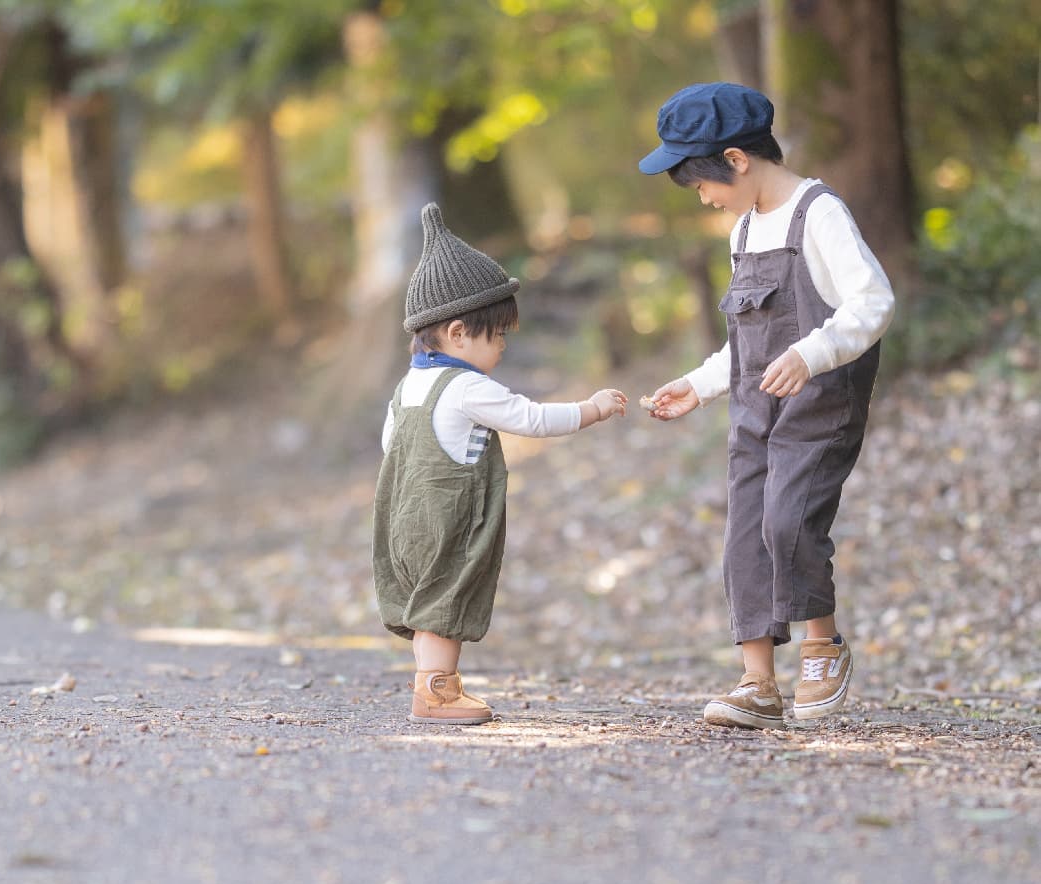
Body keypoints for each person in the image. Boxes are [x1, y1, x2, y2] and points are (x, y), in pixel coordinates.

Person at [639, 82, 895, 730]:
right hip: (755, 411)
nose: (705, 198)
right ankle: (758, 682)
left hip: (818, 407)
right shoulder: (744, 230)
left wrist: (813, 353)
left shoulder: (820, 214)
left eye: (703, 184)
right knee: (745, 536)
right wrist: (697, 386)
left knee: (787, 520)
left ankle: (822, 646)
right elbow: (744, 342)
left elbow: (873, 302)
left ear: (736, 159)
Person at [373, 203, 628, 725]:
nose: (504, 346)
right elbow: (531, 418)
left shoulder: (407, 388)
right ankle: (437, 694)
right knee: (446, 602)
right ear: (460, 333)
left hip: (402, 522)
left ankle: (432, 684)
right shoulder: (467, 387)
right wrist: (591, 409)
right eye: (499, 335)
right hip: (449, 523)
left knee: (428, 604)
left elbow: (390, 446)